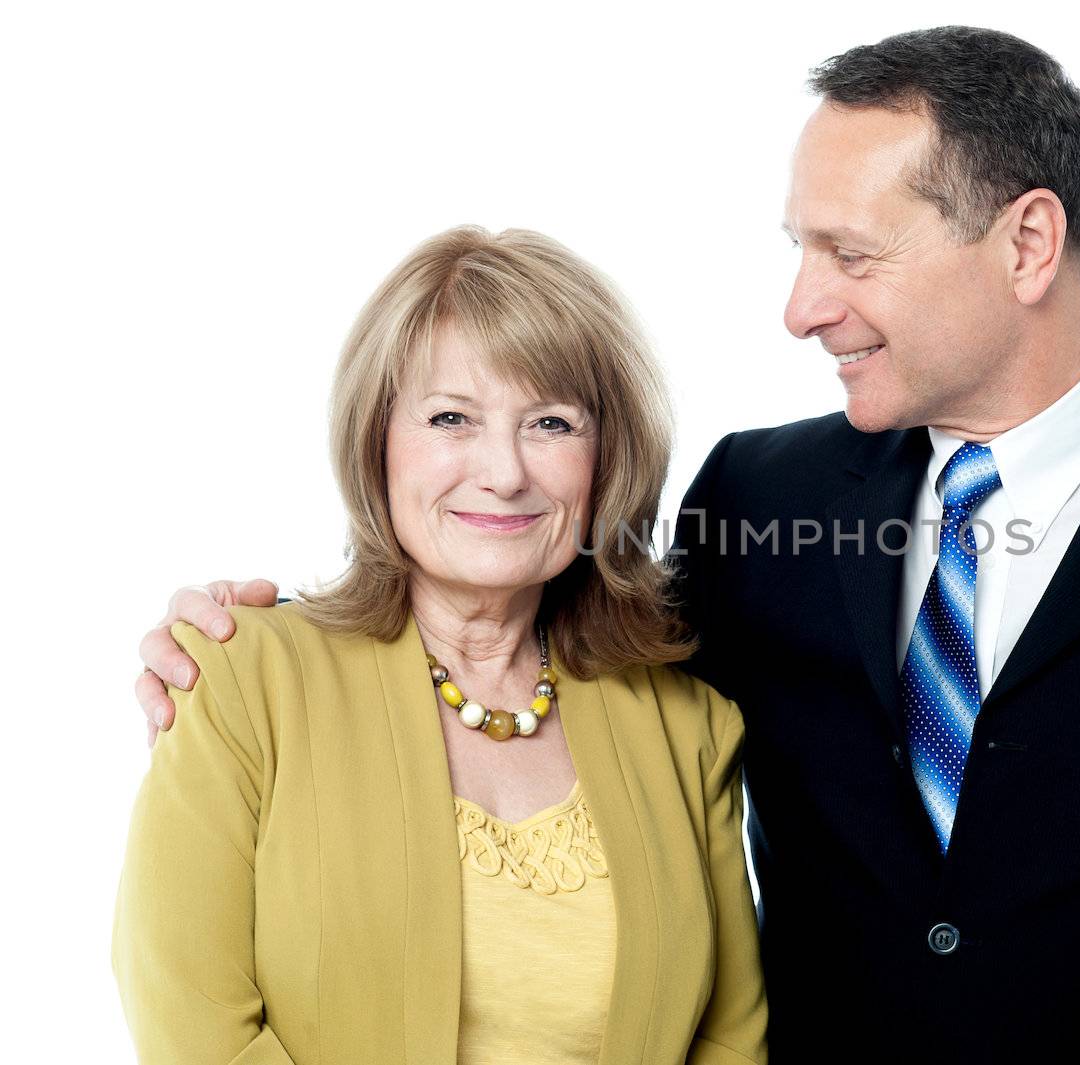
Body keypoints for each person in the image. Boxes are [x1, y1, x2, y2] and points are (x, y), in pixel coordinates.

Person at [133, 26, 1080, 1065]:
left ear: (1028, 242)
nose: (800, 305)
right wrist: (245, 645)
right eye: (798, 248)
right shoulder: (756, 498)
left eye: (850, 253)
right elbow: (546, 619)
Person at [114, 226, 767, 1064]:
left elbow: (729, 1037)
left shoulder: (688, 724)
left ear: (606, 461)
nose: (503, 471)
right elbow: (192, 1023)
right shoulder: (242, 677)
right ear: (376, 440)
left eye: (552, 423)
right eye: (450, 416)